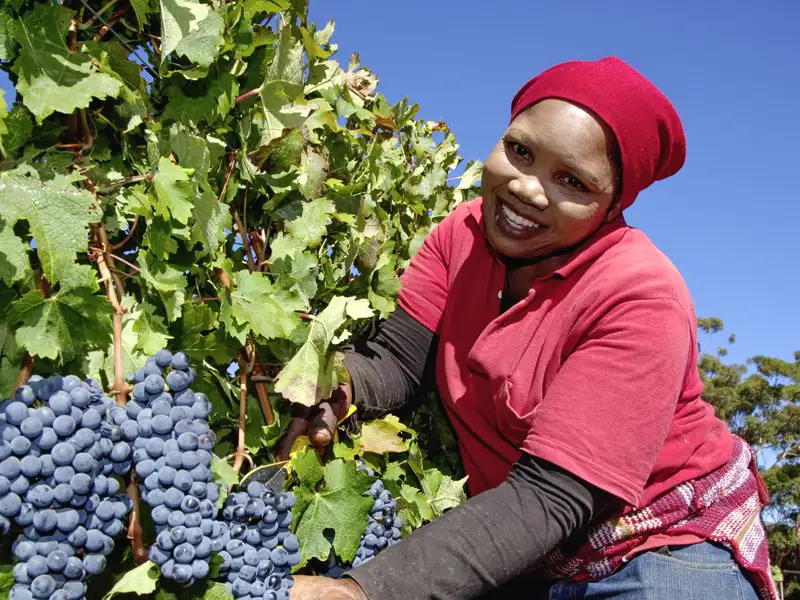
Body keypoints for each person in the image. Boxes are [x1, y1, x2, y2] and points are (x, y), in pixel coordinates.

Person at [281, 57, 777, 600]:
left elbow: (551, 496)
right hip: (534, 550)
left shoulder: (641, 296)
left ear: (612, 204)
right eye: (519, 151)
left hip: (660, 544)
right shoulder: (461, 234)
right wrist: (331, 385)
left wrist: (360, 593)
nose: (528, 189)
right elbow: (399, 362)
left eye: (573, 181)